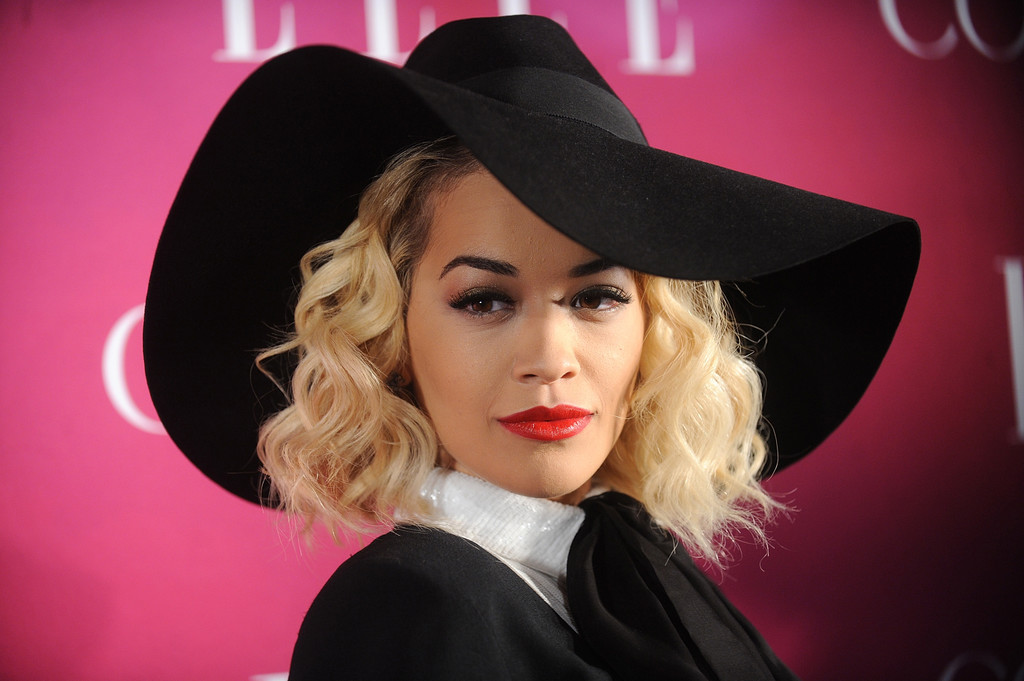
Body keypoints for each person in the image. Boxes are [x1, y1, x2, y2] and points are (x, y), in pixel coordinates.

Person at [143, 15, 920, 680]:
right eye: (484, 300)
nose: (550, 356)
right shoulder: (415, 603)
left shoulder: (641, 578)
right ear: (392, 339)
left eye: (596, 296)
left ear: (655, 331)